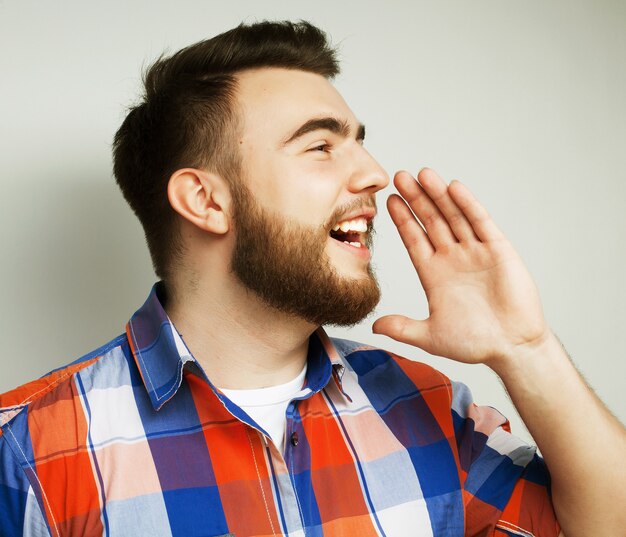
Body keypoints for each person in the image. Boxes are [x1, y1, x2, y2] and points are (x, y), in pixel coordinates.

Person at [0, 20, 623, 537]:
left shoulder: (426, 406)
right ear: (206, 201)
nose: (375, 173)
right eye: (321, 147)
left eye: (359, 143)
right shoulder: (28, 448)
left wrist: (526, 350)